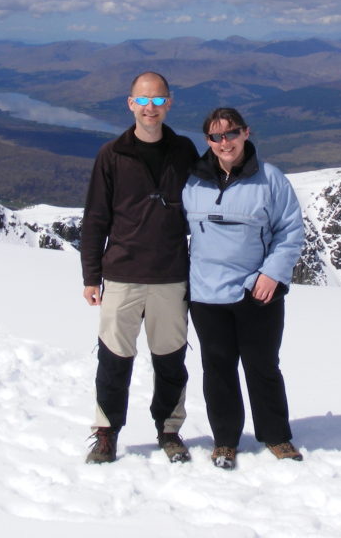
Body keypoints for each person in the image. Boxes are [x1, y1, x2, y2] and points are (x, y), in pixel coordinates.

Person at [80, 71, 199, 464]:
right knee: (113, 358)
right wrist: (90, 276)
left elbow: (204, 206)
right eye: (144, 100)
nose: (151, 108)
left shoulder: (184, 151)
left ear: (170, 102)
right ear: (131, 103)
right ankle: (106, 432)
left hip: (170, 273)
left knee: (171, 359)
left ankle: (169, 430)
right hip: (122, 273)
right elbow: (96, 217)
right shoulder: (112, 155)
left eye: (158, 100)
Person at [182, 107, 305, 470]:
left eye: (231, 133)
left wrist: (272, 274)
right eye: (216, 137)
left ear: (246, 134)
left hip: (257, 292)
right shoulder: (194, 182)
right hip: (207, 294)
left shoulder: (271, 180)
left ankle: (277, 436)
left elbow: (290, 231)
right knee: (217, 369)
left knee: (262, 366)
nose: (225, 143)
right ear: (207, 141)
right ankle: (225, 441)